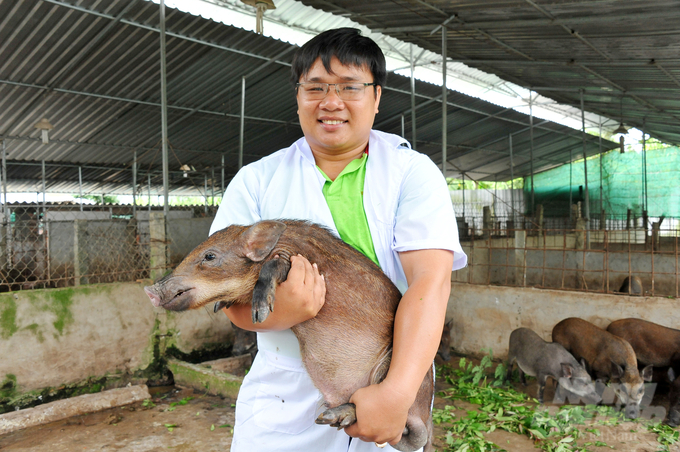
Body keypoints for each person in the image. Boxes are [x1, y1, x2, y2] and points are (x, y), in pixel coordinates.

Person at [209, 27, 467, 452]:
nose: (331, 102)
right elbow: (232, 303)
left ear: (377, 96)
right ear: (297, 96)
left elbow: (430, 283)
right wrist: (285, 311)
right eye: (315, 88)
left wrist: (397, 394)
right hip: (284, 398)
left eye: (349, 87)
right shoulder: (256, 182)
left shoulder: (411, 173)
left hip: (389, 376)